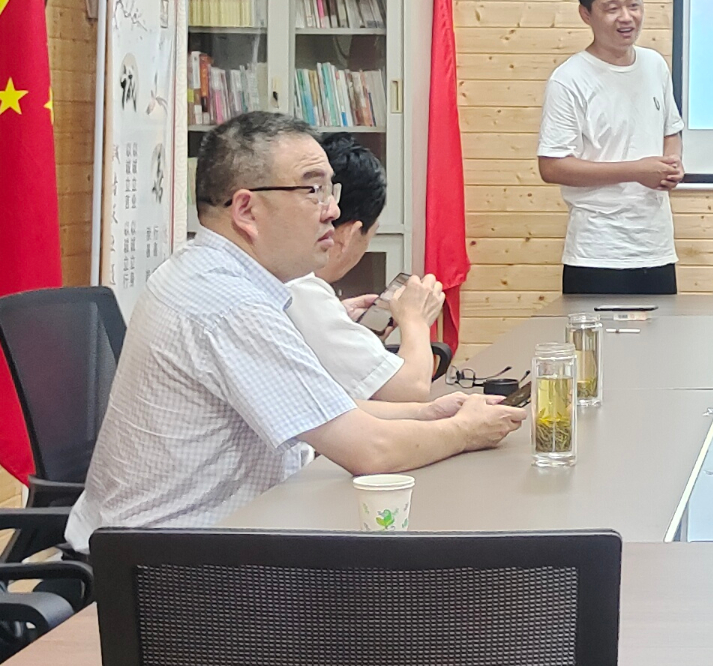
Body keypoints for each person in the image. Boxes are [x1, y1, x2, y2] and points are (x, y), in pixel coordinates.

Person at [68, 112, 523, 546]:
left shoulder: (210, 272)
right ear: (246, 210)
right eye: (313, 191)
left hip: (184, 546)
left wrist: (430, 414)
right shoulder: (230, 304)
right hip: (172, 571)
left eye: (331, 189)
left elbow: (324, 411)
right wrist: (467, 432)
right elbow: (370, 451)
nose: (332, 211)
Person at [537, 0, 685, 298]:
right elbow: (551, 166)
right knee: (598, 352)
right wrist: (636, 171)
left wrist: (670, 163)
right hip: (597, 251)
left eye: (634, 5)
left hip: (656, 246)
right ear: (586, 14)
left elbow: (670, 128)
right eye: (612, 8)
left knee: (660, 350)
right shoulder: (570, 79)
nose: (626, 17)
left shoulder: (654, 65)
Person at [286, 133, 442, 404]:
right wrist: (415, 320)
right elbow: (411, 390)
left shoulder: (292, 283)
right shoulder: (302, 291)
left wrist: (341, 320)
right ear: (349, 233)